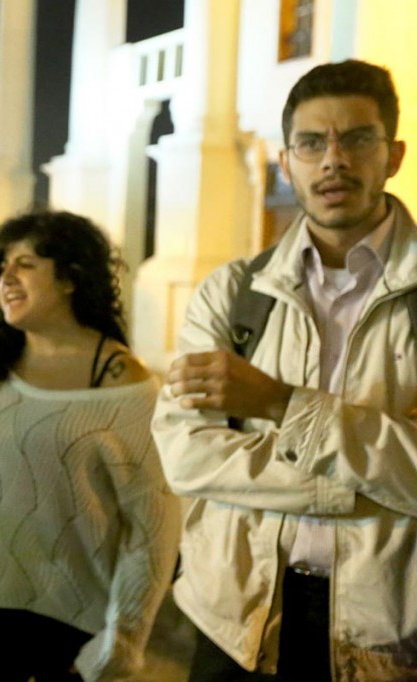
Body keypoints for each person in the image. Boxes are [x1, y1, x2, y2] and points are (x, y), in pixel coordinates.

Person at [152, 59, 417, 681]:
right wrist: (373, 482)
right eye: (311, 143)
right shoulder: (234, 293)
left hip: (386, 633)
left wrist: (281, 405)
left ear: (394, 153)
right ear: (286, 161)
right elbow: (187, 455)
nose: (334, 160)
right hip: (234, 621)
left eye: (357, 138)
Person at [0, 211, 180, 681]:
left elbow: (154, 528)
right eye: (2, 265)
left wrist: (119, 646)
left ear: (71, 276)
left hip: (68, 634)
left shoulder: (122, 381)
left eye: (26, 263)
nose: (6, 277)